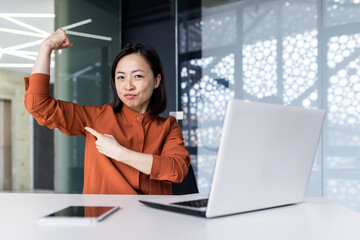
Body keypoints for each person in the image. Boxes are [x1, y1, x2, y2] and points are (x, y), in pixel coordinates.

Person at [24, 29, 190, 195]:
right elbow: (38, 105)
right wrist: (46, 47)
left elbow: (176, 169)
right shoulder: (95, 118)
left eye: (138, 76)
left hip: (154, 218)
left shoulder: (168, 126)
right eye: (121, 77)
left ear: (156, 81)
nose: (128, 85)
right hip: (103, 218)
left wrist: (120, 153)